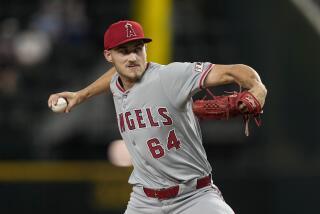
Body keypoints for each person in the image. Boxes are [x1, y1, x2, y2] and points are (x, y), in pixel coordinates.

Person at [48, 20, 267, 214]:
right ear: (109, 56)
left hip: (193, 197)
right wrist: (80, 95)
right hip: (145, 201)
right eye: (124, 51)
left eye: (138, 49)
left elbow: (232, 71)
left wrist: (258, 88)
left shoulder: (169, 77)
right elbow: (115, 75)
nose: (133, 57)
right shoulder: (117, 81)